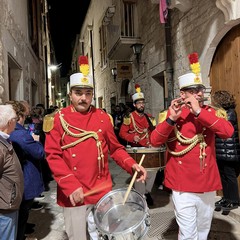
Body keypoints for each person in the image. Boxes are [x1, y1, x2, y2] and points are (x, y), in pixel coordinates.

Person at [44, 56, 146, 240]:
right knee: (77, 236)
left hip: (101, 189)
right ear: (70, 94)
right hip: (73, 192)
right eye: (78, 92)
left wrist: (132, 165)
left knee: (104, 234)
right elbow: (53, 155)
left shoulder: (102, 117)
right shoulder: (58, 119)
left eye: (87, 93)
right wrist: (70, 185)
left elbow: (115, 149)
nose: (83, 98)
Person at [150, 52, 234, 240]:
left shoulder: (211, 113)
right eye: (193, 89)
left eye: (201, 89)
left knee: (203, 228)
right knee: (188, 232)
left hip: (207, 181)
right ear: (182, 94)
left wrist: (198, 111)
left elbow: (227, 132)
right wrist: (171, 119)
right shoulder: (170, 115)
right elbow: (154, 141)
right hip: (182, 184)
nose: (198, 93)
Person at [6, 100, 45, 240]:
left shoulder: (9, 130)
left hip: (14, 183)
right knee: (21, 213)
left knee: (20, 214)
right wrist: (35, 140)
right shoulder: (20, 134)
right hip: (25, 180)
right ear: (19, 116)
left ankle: (22, 230)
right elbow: (39, 153)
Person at [119, 84, 157, 206]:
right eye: (139, 103)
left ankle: (146, 191)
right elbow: (122, 133)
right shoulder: (128, 118)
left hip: (148, 149)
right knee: (139, 173)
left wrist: (153, 142)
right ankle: (141, 197)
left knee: (152, 171)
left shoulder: (149, 117)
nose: (142, 105)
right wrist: (132, 137)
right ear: (134, 105)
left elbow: (154, 132)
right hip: (137, 150)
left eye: (143, 102)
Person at [211, 90, 240, 212]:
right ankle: (226, 198)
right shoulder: (223, 112)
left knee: (230, 175)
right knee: (223, 175)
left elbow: (221, 126)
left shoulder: (230, 113)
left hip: (229, 151)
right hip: (222, 150)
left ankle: (233, 200)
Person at [0, 105, 24, 240]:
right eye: (15, 119)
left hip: (7, 205)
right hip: (4, 208)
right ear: (10, 122)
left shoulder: (4, 139)